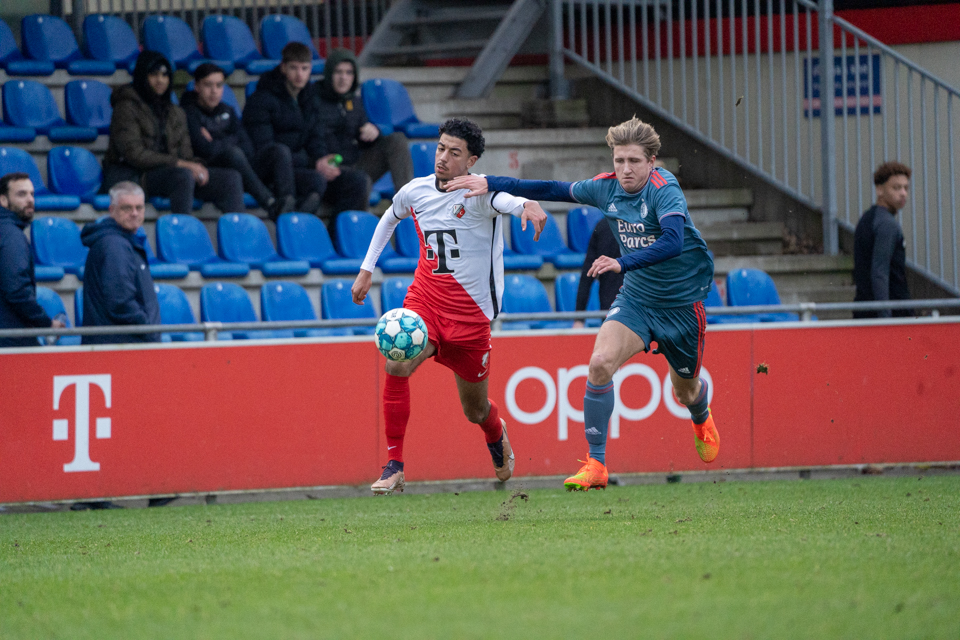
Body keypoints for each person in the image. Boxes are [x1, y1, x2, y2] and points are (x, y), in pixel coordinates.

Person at [446, 116, 719, 491]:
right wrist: (490, 182)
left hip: (680, 305)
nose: (625, 169)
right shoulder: (606, 188)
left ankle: (700, 415)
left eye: (634, 161)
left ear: (652, 162)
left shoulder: (664, 189)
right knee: (599, 363)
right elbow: (551, 188)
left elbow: (673, 242)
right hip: (637, 298)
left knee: (684, 391)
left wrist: (622, 263)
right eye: (619, 160)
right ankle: (596, 464)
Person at [350, 118, 547, 495]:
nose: (442, 157)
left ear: (471, 161)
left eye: (454, 153)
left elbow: (508, 200)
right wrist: (366, 269)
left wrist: (527, 205)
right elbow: (390, 217)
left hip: (471, 320)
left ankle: (495, 432)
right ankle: (394, 465)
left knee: (475, 410)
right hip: (425, 303)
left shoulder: (481, 193)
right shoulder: (416, 190)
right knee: (396, 362)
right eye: (441, 148)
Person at [101, 50, 246, 216]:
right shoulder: (126, 107)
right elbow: (134, 154)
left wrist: (198, 167)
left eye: (165, 75)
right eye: (154, 74)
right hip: (136, 175)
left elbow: (186, 154)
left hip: (171, 173)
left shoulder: (175, 112)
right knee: (183, 175)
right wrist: (181, 164)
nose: (160, 80)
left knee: (230, 178)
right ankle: (182, 231)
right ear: (142, 76)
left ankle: (238, 230)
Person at [243, 42, 369, 224]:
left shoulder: (310, 98)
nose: (299, 74)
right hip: (274, 173)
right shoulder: (261, 100)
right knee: (315, 181)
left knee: (357, 182)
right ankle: (293, 224)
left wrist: (323, 160)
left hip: (304, 167)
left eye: (304, 68)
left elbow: (316, 138)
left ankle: (335, 237)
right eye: (294, 68)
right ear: (283, 68)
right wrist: (314, 163)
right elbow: (267, 151)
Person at [181, 63, 294, 220]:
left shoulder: (228, 110)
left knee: (279, 151)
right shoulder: (188, 113)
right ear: (197, 87)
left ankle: (288, 206)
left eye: (219, 85)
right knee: (234, 153)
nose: (214, 91)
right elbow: (205, 149)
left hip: (242, 166)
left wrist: (215, 137)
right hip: (213, 168)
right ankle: (270, 203)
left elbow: (247, 147)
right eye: (208, 85)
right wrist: (230, 140)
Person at [315, 48, 414, 195]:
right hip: (329, 168)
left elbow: (363, 138)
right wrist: (317, 161)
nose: (343, 78)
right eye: (338, 72)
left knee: (397, 140)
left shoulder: (354, 101)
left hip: (355, 165)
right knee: (361, 181)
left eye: (349, 73)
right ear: (329, 73)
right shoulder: (313, 99)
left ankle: (407, 200)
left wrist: (373, 132)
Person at [80, 181, 161, 345]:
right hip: (120, 347)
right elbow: (120, 302)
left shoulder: (123, 241)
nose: (134, 213)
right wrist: (148, 331)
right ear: (112, 210)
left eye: (139, 207)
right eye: (127, 208)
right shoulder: (114, 245)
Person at [0, 172, 64, 348]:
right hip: (11, 339)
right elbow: (16, 290)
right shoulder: (11, 236)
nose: (30, 200)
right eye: (21, 194)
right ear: (3, 200)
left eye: (32, 194)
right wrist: (46, 323)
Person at [853, 162, 912, 319]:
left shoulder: (868, 218)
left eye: (906, 188)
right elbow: (880, 272)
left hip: (865, 310)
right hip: (890, 314)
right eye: (896, 188)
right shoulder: (886, 224)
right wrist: (885, 318)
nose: (903, 193)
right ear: (880, 189)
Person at [575, 220, 622, 327]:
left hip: (611, 308)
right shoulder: (644, 225)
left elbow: (587, 274)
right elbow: (587, 274)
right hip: (636, 307)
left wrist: (579, 318)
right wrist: (579, 317)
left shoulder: (603, 225)